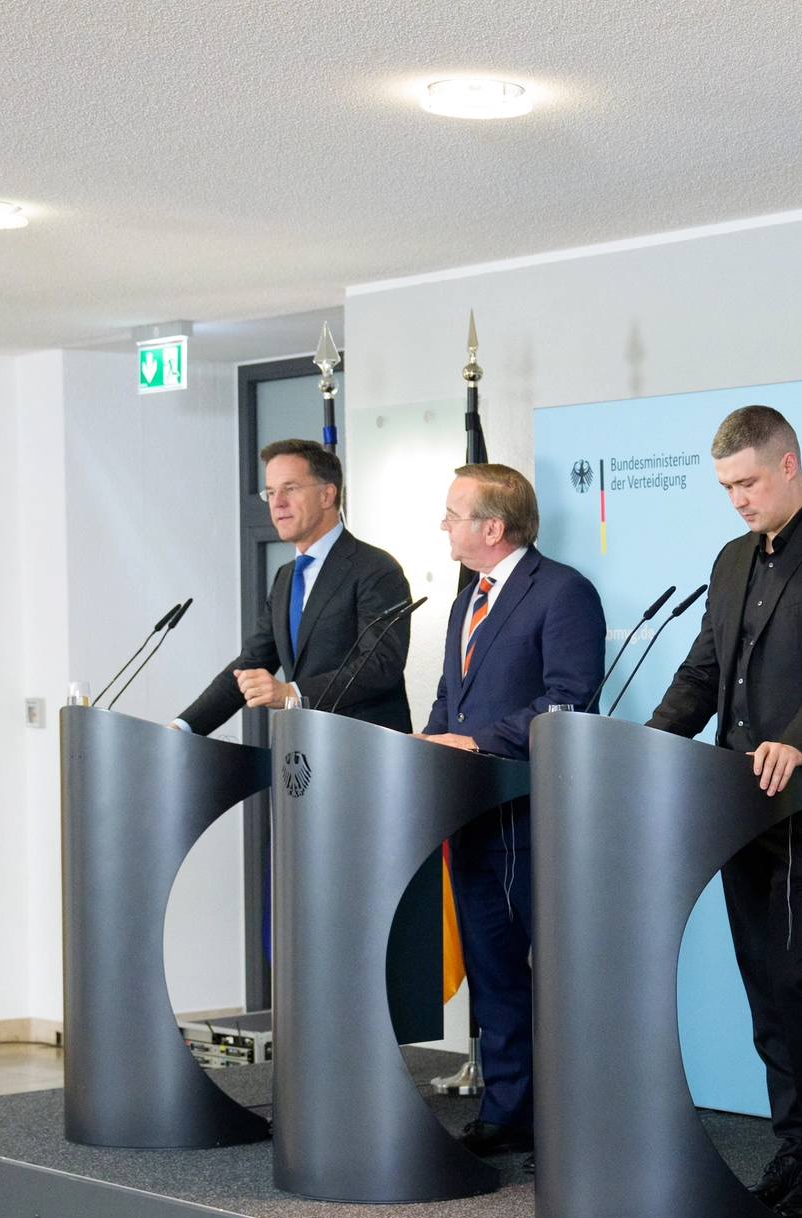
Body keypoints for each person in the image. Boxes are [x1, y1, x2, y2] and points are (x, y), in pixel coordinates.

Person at [647, 406, 802, 1218]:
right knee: (764, 980)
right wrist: (646, 747)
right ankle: (796, 1146)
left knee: (798, 975)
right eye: (726, 487)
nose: (737, 499)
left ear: (789, 463)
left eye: (748, 482)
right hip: (736, 805)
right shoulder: (731, 560)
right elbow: (703, 672)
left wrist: (796, 740)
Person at [419, 464, 607, 1155]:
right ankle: (508, 1112)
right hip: (470, 817)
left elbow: (568, 699)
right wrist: (427, 746)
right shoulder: (465, 597)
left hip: (533, 820)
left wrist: (473, 742)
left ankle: (576, 1126)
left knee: (557, 978)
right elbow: (452, 697)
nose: (444, 525)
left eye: (453, 514)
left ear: (492, 527)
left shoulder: (562, 591)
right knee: (493, 973)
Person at [176, 439, 413, 734]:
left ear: (327, 495)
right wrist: (181, 729)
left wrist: (292, 693)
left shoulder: (375, 568)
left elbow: (381, 664)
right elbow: (249, 666)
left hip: (364, 747)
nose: (277, 503)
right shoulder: (286, 577)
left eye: (290, 488)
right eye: (271, 492)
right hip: (303, 748)